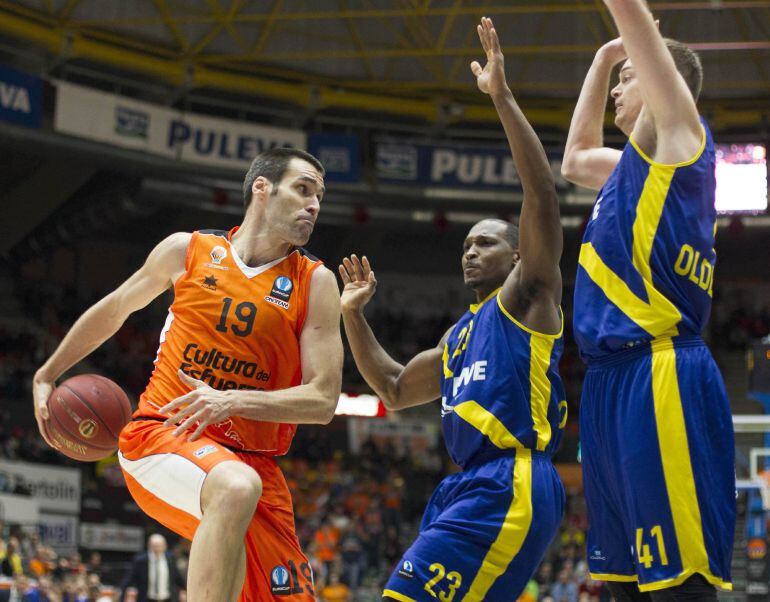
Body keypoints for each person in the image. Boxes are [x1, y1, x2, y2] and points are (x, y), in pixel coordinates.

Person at [32, 147, 344, 602]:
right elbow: (116, 309)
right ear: (262, 188)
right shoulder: (189, 250)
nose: (314, 204)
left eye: (319, 196)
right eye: (302, 189)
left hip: (253, 461)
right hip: (163, 434)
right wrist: (49, 371)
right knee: (237, 487)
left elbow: (322, 400)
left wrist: (231, 400)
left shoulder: (315, 282)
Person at [340, 18, 566, 601]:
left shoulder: (528, 296)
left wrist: (502, 97)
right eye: (464, 244)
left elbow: (541, 194)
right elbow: (391, 387)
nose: (469, 250)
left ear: (516, 253)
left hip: (510, 479)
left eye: (483, 242)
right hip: (464, 485)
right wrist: (352, 315)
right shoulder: (459, 336)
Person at [561, 1, 735, 599]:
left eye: (627, 78)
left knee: (676, 581)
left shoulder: (681, 139)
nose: (617, 91)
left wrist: (628, 31)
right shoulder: (630, 169)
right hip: (609, 381)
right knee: (622, 582)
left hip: (660, 370)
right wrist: (605, 58)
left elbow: (634, 18)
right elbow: (574, 158)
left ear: (660, 75)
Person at [120, 534, 185, 602]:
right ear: (149, 546)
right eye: (154, 546)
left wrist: (185, 590)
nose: (156, 548)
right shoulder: (140, 561)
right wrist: (122, 596)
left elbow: (177, 577)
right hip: (147, 599)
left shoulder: (170, 558)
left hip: (167, 598)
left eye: (159, 546)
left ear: (165, 546)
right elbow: (128, 580)